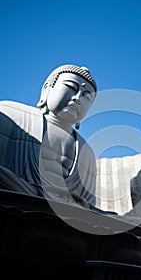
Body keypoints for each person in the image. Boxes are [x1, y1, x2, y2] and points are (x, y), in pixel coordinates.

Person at [0, 64, 97, 207]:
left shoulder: (86, 151)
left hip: (68, 211)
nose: (77, 98)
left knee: (135, 223)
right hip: (19, 195)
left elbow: (87, 203)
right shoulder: (11, 113)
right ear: (47, 89)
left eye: (87, 97)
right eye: (70, 87)